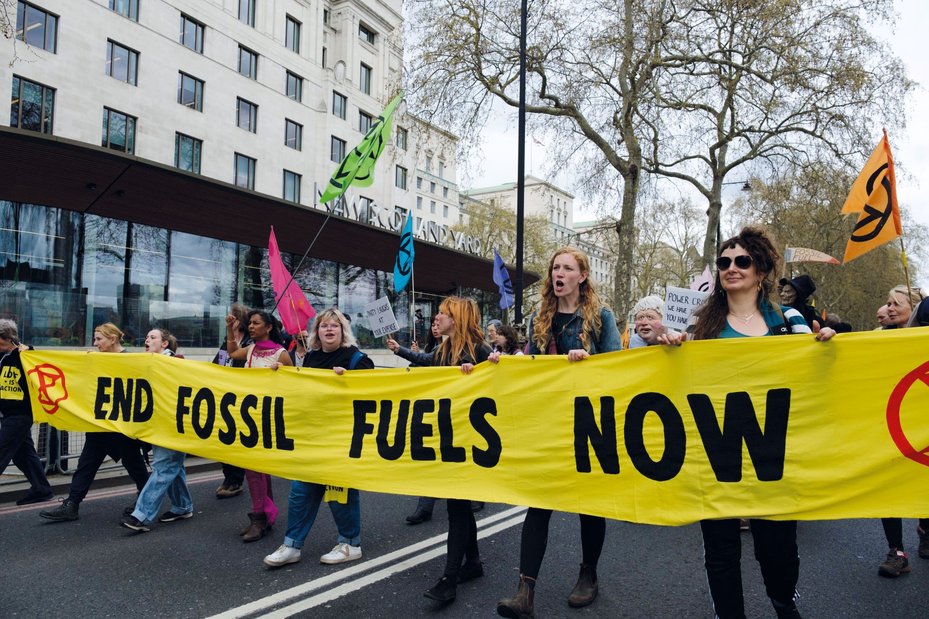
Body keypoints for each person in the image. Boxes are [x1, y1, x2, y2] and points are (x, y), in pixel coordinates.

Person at [656, 227, 835, 619]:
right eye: (724, 262)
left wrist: (827, 344)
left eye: (742, 261)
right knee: (720, 552)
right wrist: (670, 349)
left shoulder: (789, 319)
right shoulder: (702, 325)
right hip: (717, 453)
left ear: (761, 270)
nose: (731, 268)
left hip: (771, 454)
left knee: (778, 550)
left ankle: (783, 603)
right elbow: (681, 382)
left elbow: (815, 372)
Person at [497, 247, 622, 618]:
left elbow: (618, 367)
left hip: (589, 424)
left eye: (568, 268)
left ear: (582, 275)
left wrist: (590, 363)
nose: (559, 273)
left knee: (588, 505)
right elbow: (532, 364)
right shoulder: (540, 317)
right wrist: (506, 363)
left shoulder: (601, 317)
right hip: (551, 423)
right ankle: (525, 590)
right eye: (555, 267)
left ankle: (588, 575)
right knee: (539, 504)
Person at [263, 308, 373, 568]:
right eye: (324, 326)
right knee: (300, 492)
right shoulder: (310, 359)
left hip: (342, 441)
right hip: (313, 438)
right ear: (317, 332)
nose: (329, 329)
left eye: (335, 325)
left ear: (343, 330)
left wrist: (347, 383)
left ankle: (350, 543)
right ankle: (292, 545)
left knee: (339, 495)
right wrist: (281, 375)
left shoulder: (357, 359)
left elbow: (374, 395)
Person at [410, 296, 492, 604]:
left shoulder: (481, 351)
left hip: (470, 442)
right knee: (457, 505)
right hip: (446, 438)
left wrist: (489, 370)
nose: (437, 318)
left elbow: (499, 390)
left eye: (442, 314)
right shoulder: (441, 351)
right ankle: (472, 563)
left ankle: (449, 579)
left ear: (456, 319)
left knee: (457, 507)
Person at [40, 323, 150, 522]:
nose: (95, 343)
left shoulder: (132, 360)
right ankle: (72, 504)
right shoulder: (96, 359)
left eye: (99, 339)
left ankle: (146, 498)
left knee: (134, 464)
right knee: (86, 464)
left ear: (113, 339)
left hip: (122, 427)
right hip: (99, 425)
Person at [225, 310, 293, 541]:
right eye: (250, 323)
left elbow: (293, 387)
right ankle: (265, 513)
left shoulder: (281, 355)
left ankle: (260, 516)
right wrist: (231, 330)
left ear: (269, 327)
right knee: (254, 469)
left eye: (256, 323)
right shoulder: (252, 349)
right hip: (248, 418)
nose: (251, 327)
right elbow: (233, 353)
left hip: (268, 420)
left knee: (255, 469)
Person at [876, 284, 929, 577]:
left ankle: (925, 530)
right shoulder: (876, 339)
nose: (890, 308)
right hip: (890, 426)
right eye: (888, 302)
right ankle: (896, 551)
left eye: (897, 302)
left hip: (923, 424)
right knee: (888, 487)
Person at [120, 328, 194, 533]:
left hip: (172, 425)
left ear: (164, 345)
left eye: (153, 337)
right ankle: (183, 506)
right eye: (146, 337)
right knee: (173, 466)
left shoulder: (174, 362)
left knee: (163, 466)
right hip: (158, 423)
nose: (147, 339)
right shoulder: (149, 361)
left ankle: (142, 515)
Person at [387, 317, 443, 525]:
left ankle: (473, 496)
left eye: (440, 323)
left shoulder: (467, 347)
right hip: (432, 406)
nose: (436, 327)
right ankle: (425, 507)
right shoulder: (435, 349)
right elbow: (424, 363)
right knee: (429, 455)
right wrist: (404, 351)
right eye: (434, 325)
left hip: (456, 409)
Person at [0, 318, 54, 506]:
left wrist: (28, 351)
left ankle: (41, 488)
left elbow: (41, 369)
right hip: (8, 413)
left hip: (21, 414)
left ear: (6, 337)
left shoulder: (25, 356)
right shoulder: (1, 356)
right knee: (23, 454)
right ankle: (41, 488)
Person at [212, 303, 250, 499]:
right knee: (223, 441)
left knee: (235, 441)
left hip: (242, 400)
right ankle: (228, 476)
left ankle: (235, 479)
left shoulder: (249, 343)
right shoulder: (225, 343)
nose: (229, 320)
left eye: (232, 317)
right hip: (224, 397)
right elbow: (216, 363)